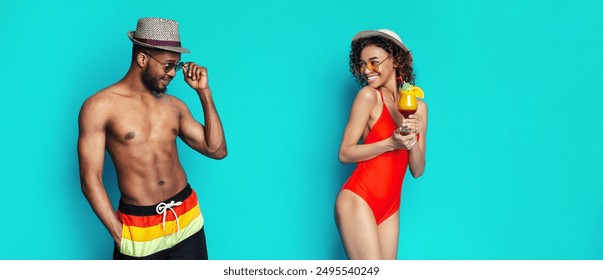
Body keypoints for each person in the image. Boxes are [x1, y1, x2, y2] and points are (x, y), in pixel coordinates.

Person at [77, 17, 227, 260]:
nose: (172, 74)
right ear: (142, 59)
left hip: (186, 221)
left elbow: (217, 150)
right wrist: (119, 235)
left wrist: (204, 93)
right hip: (137, 230)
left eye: (176, 66)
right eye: (168, 65)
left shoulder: (174, 107)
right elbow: (90, 180)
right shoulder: (99, 107)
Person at [335, 29, 427, 260]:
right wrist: (390, 142)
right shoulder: (368, 97)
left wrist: (412, 137)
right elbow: (345, 153)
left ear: (395, 60)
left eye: (374, 63)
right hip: (358, 198)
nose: (367, 70)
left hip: (390, 207)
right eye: (363, 64)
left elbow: (417, 170)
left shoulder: (418, 108)